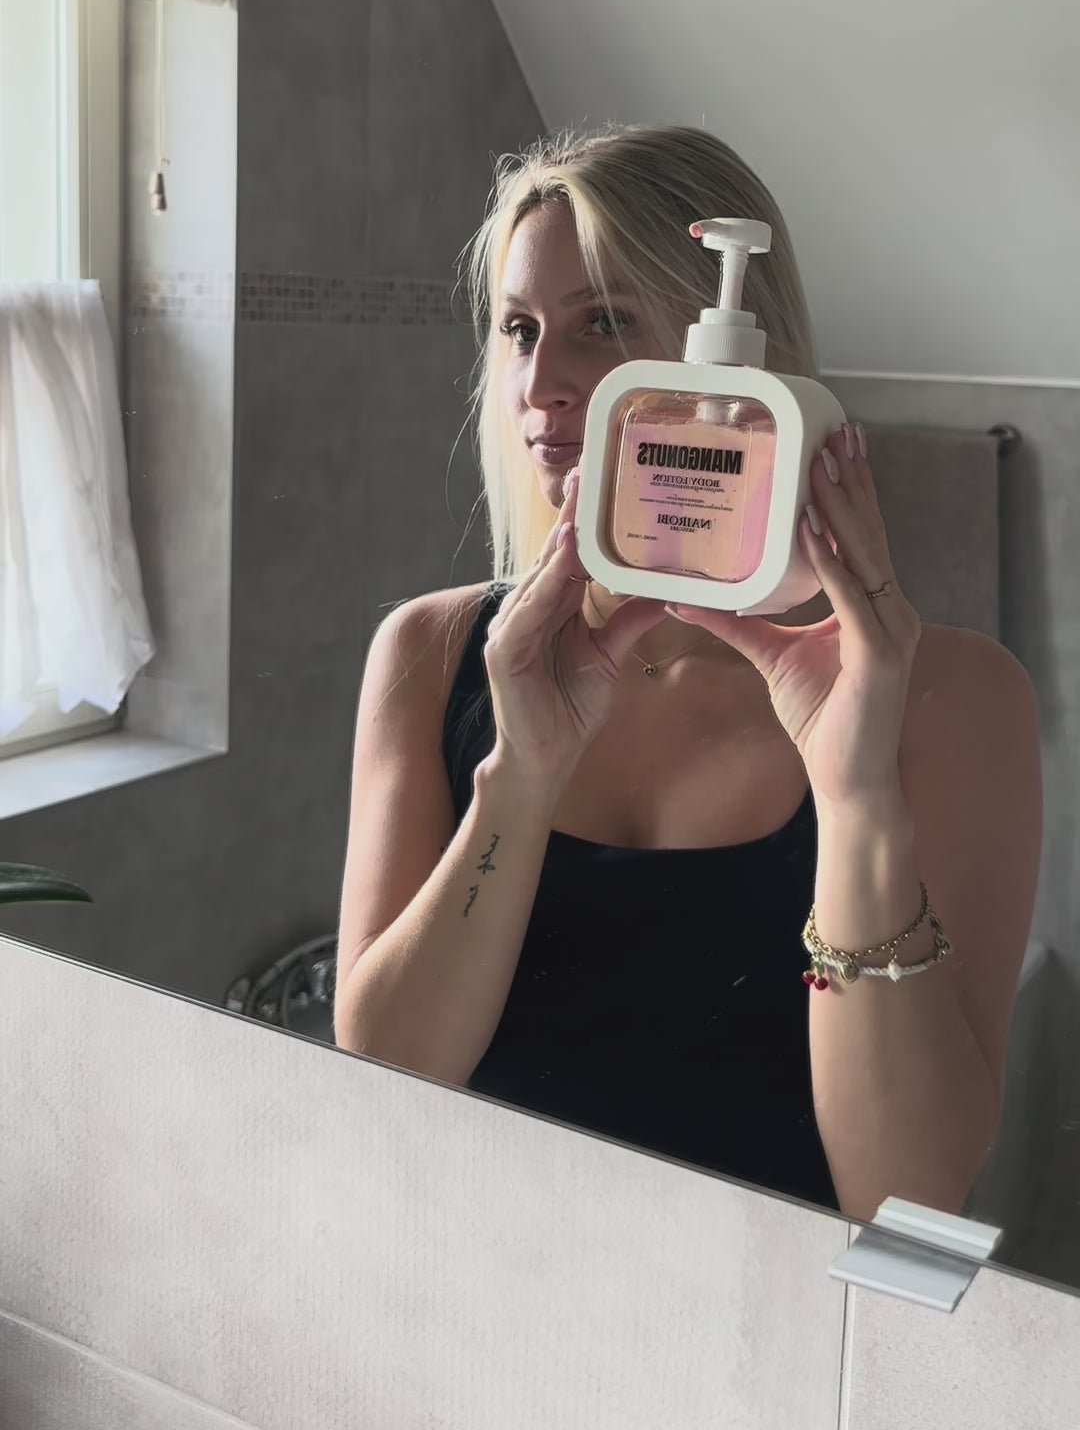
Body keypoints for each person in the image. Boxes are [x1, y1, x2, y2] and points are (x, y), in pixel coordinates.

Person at [334, 124, 1042, 1220]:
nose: (540, 383)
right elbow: (382, 1083)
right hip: (478, 1278)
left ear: (741, 366)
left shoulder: (953, 699)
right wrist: (520, 775)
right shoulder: (432, 653)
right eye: (519, 329)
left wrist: (856, 800)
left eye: (605, 323)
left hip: (776, 1314)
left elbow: (908, 1194)